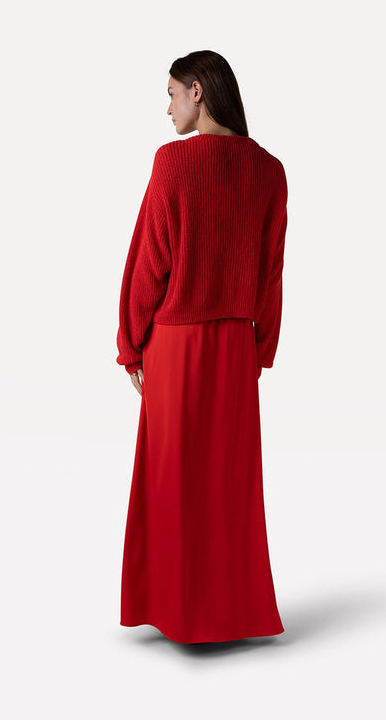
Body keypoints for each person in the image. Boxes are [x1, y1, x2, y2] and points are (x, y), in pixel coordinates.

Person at [116, 50, 288, 644]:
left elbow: (149, 261)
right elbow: (270, 272)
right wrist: (258, 348)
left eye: (171, 94)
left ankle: (172, 608)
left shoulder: (172, 164)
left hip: (175, 344)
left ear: (197, 90)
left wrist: (131, 345)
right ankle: (227, 614)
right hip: (235, 345)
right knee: (227, 484)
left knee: (171, 479)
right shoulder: (269, 171)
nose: (167, 108)